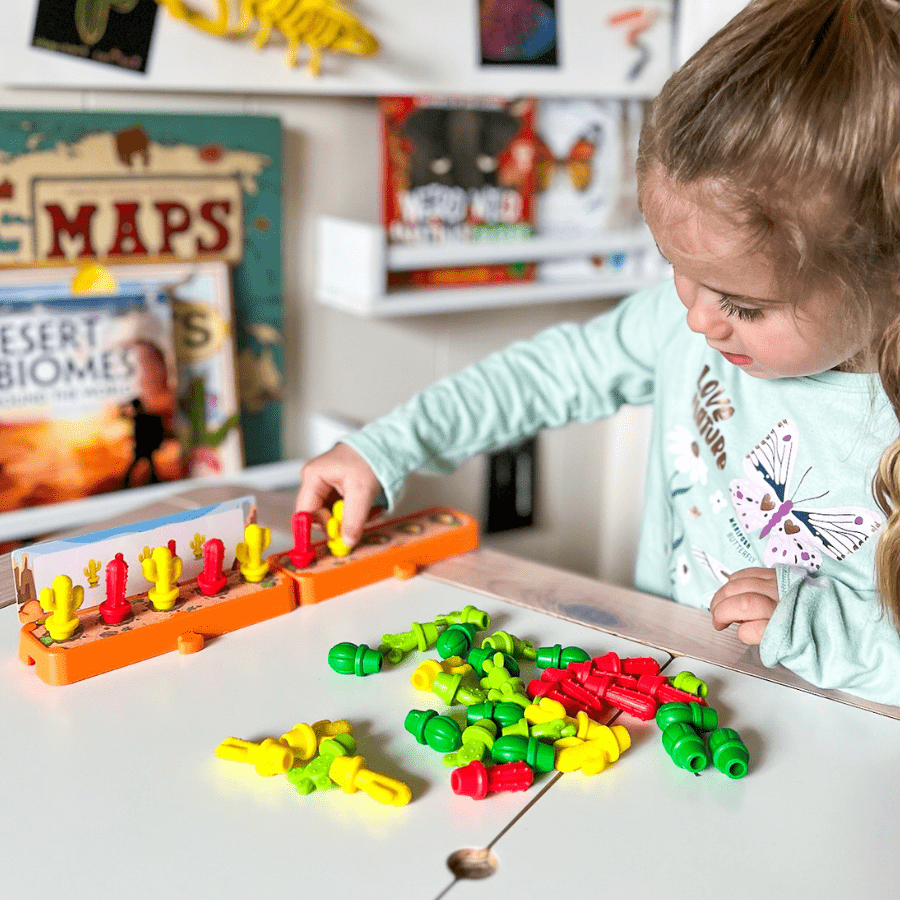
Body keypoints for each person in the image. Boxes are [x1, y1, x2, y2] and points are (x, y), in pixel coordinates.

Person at [297, 0, 900, 706]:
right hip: (674, 688)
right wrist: (389, 446)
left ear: (885, 279)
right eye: (677, 268)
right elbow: (548, 373)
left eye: (743, 305)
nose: (698, 319)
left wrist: (828, 632)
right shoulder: (687, 318)